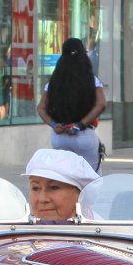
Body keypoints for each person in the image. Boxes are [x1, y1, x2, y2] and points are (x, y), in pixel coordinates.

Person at [37, 38, 106, 169]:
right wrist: (79, 125)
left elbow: (41, 108)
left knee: (65, 176)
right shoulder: (91, 80)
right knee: (91, 177)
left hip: (59, 137)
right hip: (84, 135)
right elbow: (101, 104)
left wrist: (54, 124)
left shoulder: (54, 82)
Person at [24, 147, 100, 222]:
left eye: (53, 187)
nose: (42, 199)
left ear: (80, 195)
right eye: (35, 188)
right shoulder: (21, 227)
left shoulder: (99, 228)